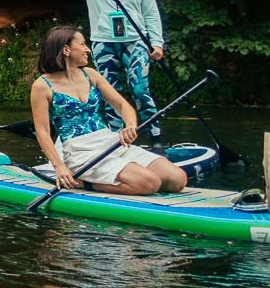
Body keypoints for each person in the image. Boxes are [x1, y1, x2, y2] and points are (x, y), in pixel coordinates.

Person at [34, 0, 165, 138]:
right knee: (110, 91)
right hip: (104, 42)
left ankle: (154, 134)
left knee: (139, 88)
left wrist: (157, 43)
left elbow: (151, 13)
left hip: (135, 41)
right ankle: (118, 136)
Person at [30, 25, 186, 195]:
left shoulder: (90, 74)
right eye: (82, 44)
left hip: (110, 142)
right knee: (150, 183)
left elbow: (122, 105)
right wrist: (59, 167)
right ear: (66, 50)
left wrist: (130, 125)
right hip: (80, 152)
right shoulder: (41, 86)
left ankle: (122, 177)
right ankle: (83, 183)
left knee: (177, 179)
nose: (87, 50)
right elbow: (43, 131)